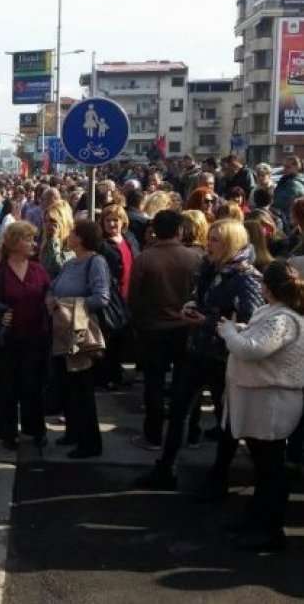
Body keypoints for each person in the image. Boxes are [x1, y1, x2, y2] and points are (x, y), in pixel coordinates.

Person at [138, 219, 264, 491]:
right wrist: (192, 306)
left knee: (226, 419)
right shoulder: (209, 268)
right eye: (209, 238)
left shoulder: (246, 276)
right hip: (198, 351)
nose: (209, 244)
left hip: (224, 358)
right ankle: (166, 469)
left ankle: (220, 478)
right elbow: (204, 299)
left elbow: (251, 322)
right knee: (180, 410)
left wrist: (205, 320)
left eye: (215, 239)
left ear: (231, 242)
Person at [212, 260, 304, 552]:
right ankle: (256, 519)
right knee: (264, 467)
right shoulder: (271, 312)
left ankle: (271, 529)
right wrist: (239, 327)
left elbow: (252, 349)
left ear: (268, 288)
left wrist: (229, 332)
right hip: (261, 400)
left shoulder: (284, 319)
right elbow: (255, 335)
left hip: (273, 403)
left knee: (271, 469)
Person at [128, 210, 203, 450]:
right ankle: (189, 433)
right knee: (187, 385)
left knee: (154, 384)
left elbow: (134, 299)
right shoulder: (194, 258)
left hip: (154, 330)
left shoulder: (145, 259)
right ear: (179, 230)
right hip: (185, 330)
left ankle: (153, 435)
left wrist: (140, 324)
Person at [0, 221, 50, 450]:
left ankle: (35, 429)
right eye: (29, 239)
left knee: (33, 386)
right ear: (15, 242)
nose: (33, 244)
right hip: (6, 342)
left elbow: (48, 293)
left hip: (35, 339)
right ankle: (8, 433)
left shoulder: (38, 270)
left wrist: (51, 302)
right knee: (6, 388)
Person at [49, 220, 111, 459]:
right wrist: (50, 298)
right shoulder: (70, 263)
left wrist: (68, 305)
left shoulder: (96, 262)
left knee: (82, 387)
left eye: (74, 232)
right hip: (63, 332)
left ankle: (90, 442)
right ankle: (73, 432)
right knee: (68, 385)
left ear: (82, 238)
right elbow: (54, 286)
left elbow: (101, 297)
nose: (70, 234)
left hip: (80, 334)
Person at [98, 204, 140, 389]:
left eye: (115, 219)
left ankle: (117, 373)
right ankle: (109, 376)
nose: (112, 223)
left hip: (130, 295)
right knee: (111, 339)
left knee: (124, 337)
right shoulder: (102, 245)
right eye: (108, 220)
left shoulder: (130, 239)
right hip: (112, 298)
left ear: (123, 221)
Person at [40, 200, 75, 279]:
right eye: (46, 221)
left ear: (63, 222)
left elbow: (58, 268)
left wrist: (54, 240)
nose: (48, 225)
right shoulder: (46, 242)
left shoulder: (72, 244)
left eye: (53, 221)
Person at [272, 156, 304, 233]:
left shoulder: (294, 183)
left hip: (290, 221)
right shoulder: (286, 180)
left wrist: (271, 202)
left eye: (288, 167)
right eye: (284, 166)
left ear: (296, 167)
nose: (284, 169)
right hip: (287, 219)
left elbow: (281, 202)